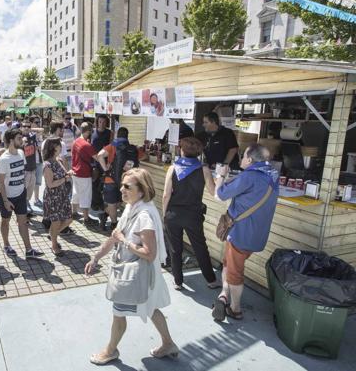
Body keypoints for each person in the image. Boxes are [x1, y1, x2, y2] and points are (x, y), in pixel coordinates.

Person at [85, 168, 178, 364]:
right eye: (122, 185)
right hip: (142, 275)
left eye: (127, 187)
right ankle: (168, 343)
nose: (121, 190)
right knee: (151, 307)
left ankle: (110, 351)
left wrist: (125, 241)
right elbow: (115, 236)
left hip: (135, 275)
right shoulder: (132, 208)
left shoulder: (144, 216)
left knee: (118, 314)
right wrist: (96, 257)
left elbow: (149, 253)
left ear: (142, 190)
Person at [212, 144, 279, 321]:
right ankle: (224, 296)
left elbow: (219, 195)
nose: (240, 159)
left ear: (250, 160)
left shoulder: (249, 176)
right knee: (228, 264)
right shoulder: (272, 175)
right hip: (257, 234)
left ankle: (235, 309)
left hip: (241, 233)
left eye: (243, 156)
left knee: (234, 271)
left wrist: (220, 175)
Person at [162, 137, 219, 291]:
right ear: (198, 153)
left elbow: (166, 195)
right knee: (200, 247)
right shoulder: (204, 169)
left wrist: (164, 214)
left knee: (175, 249)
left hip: (173, 214)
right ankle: (211, 280)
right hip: (193, 215)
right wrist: (220, 178)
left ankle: (178, 281)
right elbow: (214, 192)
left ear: (182, 150)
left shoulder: (173, 168)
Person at [0, 129, 44, 259]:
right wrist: (5, 201)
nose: (22, 140)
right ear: (11, 140)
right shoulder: (3, 159)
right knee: (5, 221)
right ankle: (6, 245)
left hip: (20, 194)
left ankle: (29, 250)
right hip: (7, 197)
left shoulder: (21, 153)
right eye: (19, 138)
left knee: (23, 222)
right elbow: (0, 182)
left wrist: (24, 190)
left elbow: (21, 173)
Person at [96, 127, 139, 231]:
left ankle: (112, 222)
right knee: (118, 203)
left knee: (113, 204)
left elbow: (99, 155)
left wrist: (105, 168)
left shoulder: (112, 146)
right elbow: (143, 156)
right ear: (127, 136)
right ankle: (113, 222)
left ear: (117, 135)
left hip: (110, 179)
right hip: (124, 181)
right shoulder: (132, 148)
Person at [42, 137, 73, 256]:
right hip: (53, 197)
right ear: (54, 148)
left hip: (63, 195)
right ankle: (54, 245)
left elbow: (65, 174)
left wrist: (69, 173)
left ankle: (52, 235)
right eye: (60, 145)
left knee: (69, 219)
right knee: (56, 222)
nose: (62, 147)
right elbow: (50, 184)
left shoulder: (58, 160)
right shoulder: (47, 165)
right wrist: (65, 179)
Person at [71, 122, 98, 224]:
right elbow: (97, 157)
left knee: (76, 193)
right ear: (88, 131)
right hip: (84, 173)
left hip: (75, 172)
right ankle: (86, 219)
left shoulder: (75, 142)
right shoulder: (87, 145)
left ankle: (73, 212)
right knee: (85, 196)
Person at [21, 121, 40, 213]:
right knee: (23, 189)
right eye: (24, 126)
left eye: (28, 126)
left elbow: (42, 130)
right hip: (24, 169)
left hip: (33, 167)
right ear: (21, 127)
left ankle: (27, 203)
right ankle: (23, 206)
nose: (26, 128)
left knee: (30, 189)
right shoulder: (19, 138)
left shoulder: (32, 137)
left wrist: (31, 129)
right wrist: (22, 143)